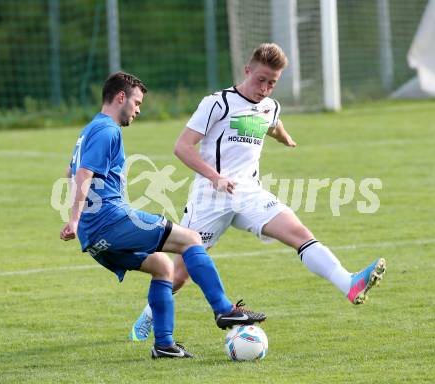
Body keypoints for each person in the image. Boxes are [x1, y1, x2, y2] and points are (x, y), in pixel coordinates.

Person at [132, 43, 386, 341]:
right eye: (260, 80)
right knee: (179, 276)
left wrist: (285, 137)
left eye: (272, 83)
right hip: (209, 196)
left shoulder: (271, 106)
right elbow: (181, 147)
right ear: (247, 70)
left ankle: (349, 283)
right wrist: (215, 177)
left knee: (299, 234)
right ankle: (150, 314)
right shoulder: (217, 103)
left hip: (249, 192)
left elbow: (272, 124)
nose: (264, 88)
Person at [59, 71, 266, 359]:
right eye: (137, 102)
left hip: (94, 236)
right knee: (191, 239)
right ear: (121, 97)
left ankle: (164, 345)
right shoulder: (107, 130)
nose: (138, 110)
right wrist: (75, 218)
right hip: (111, 221)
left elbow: (70, 172)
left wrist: (81, 224)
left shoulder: (89, 130)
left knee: (163, 268)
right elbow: (83, 174)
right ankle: (224, 310)